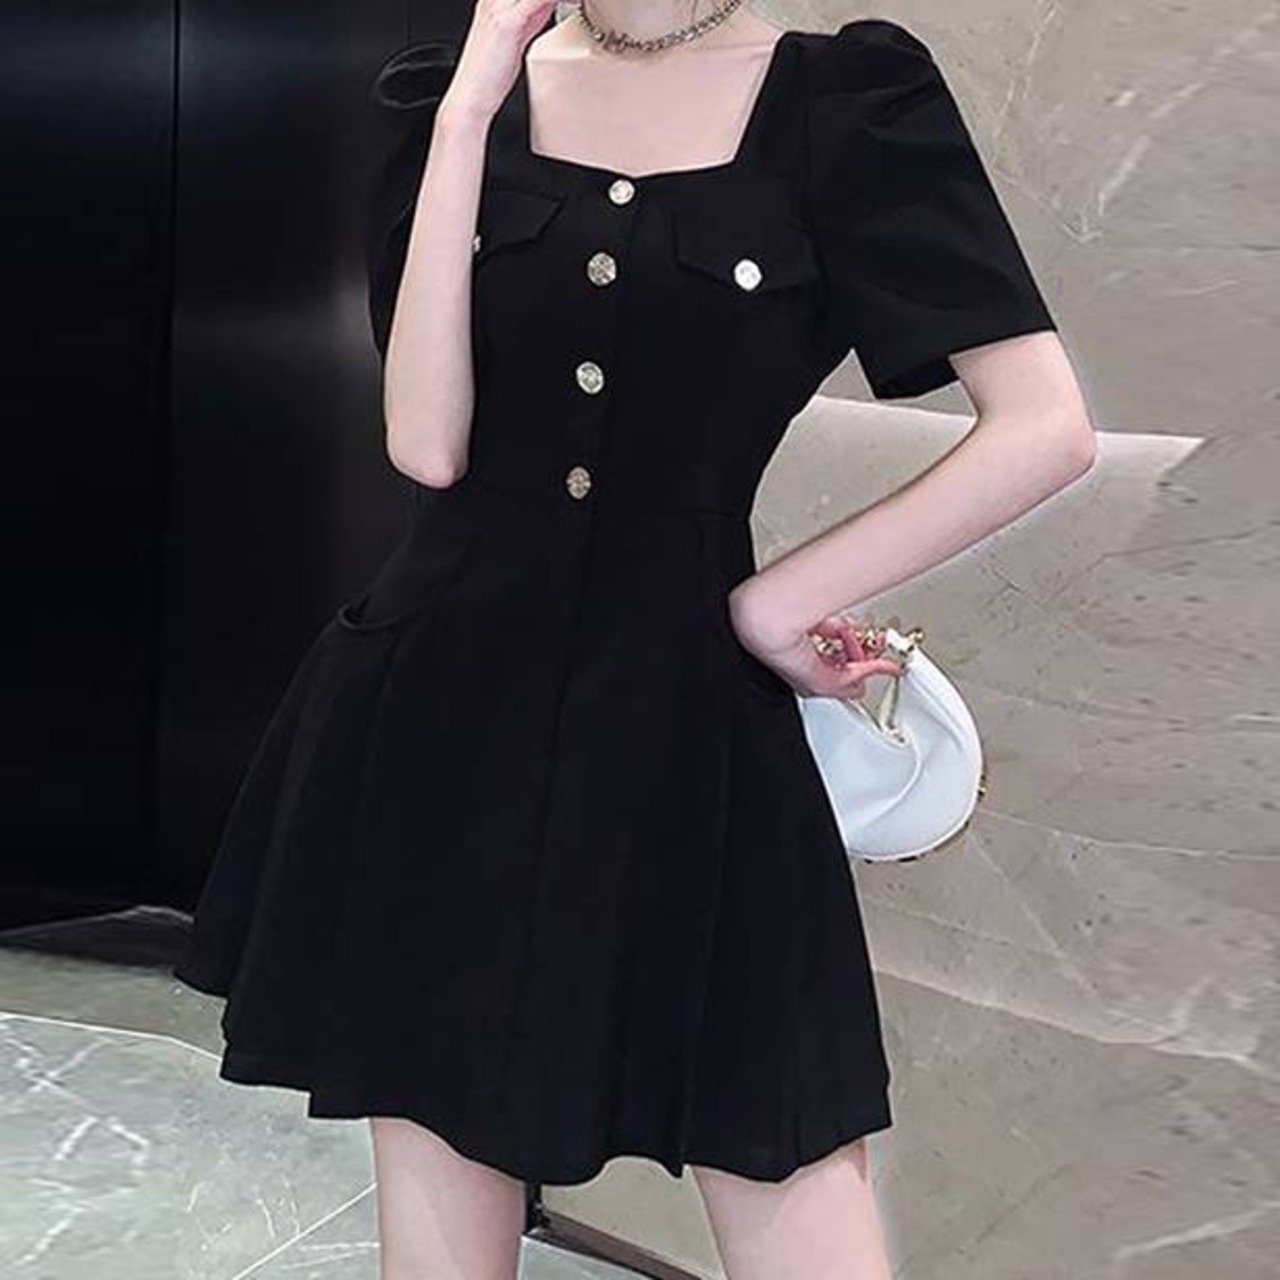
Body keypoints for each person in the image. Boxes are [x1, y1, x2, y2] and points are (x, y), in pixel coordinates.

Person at [173, 2, 1097, 1277]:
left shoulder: (843, 101)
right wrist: (470, 104)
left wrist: (777, 602)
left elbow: (1044, 426)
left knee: (776, 1125)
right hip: (442, 698)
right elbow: (426, 442)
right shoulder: (451, 92)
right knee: (435, 1118)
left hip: (687, 712)